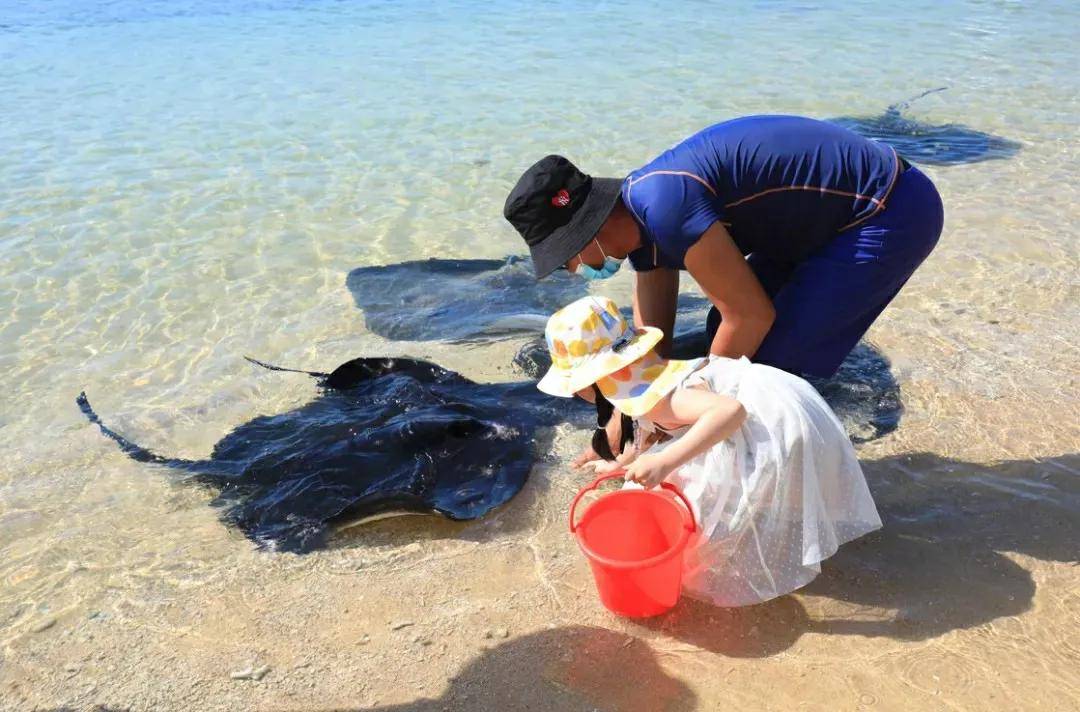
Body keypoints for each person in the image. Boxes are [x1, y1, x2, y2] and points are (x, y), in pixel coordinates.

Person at [504, 115, 944, 375]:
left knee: (769, 364)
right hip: (818, 221)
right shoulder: (640, 215)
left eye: (567, 259)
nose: (574, 271)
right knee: (723, 335)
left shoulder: (666, 205)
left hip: (887, 207)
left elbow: (751, 314)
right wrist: (634, 409)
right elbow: (654, 344)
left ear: (587, 233)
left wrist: (701, 401)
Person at [538, 295, 882, 606]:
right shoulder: (646, 381)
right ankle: (794, 532)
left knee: (703, 496)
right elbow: (650, 435)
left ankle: (776, 549)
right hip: (782, 403)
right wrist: (617, 465)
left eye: (576, 387)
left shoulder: (664, 399)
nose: (577, 394)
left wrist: (666, 460)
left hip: (772, 424)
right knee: (741, 484)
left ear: (593, 382)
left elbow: (729, 412)